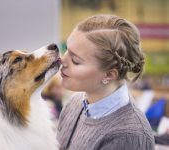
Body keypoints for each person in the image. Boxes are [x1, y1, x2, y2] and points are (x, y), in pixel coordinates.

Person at [57, 14, 155, 150]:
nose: (62, 60)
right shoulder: (75, 103)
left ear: (109, 75)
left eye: (76, 60)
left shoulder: (129, 136)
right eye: (67, 50)